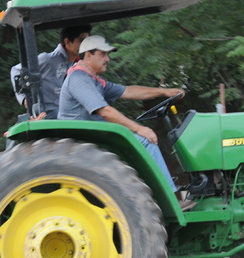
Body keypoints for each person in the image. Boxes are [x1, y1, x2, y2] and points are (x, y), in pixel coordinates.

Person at [58, 35, 195, 210]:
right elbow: (105, 112)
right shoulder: (79, 79)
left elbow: (129, 91)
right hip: (82, 142)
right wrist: (139, 129)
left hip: (93, 137)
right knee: (146, 141)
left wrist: (164, 92)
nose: (108, 59)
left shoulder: (94, 80)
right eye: (103, 54)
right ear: (88, 55)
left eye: (108, 54)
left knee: (141, 137)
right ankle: (171, 202)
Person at [10, 25, 92, 119]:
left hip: (66, 113)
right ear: (67, 42)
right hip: (48, 114)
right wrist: (24, 98)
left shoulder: (79, 65)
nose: (86, 46)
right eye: (81, 41)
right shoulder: (48, 60)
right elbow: (16, 70)